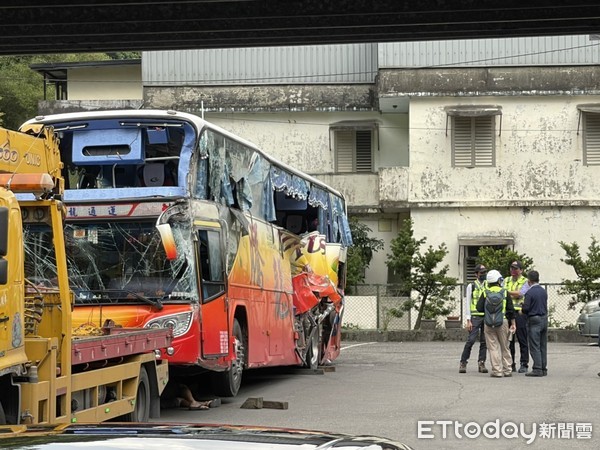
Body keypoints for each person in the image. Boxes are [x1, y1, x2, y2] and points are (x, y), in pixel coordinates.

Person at [477, 269, 517, 377]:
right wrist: (513, 323)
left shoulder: (485, 292)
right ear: (499, 280)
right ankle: (508, 370)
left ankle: (497, 371)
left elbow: (479, 308)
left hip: (488, 323)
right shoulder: (504, 292)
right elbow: (510, 309)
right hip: (503, 322)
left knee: (493, 348)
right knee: (505, 346)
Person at [459, 264, 488, 374]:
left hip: (485, 316)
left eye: (484, 272)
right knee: (471, 340)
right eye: (481, 273)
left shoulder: (488, 285)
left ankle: (481, 362)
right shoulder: (471, 286)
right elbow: (468, 303)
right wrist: (468, 320)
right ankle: (463, 362)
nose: (483, 275)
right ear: (476, 274)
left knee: (484, 341)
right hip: (475, 317)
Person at [521, 270, 548, 377]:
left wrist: (522, 308)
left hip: (534, 319)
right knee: (542, 345)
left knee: (534, 345)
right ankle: (543, 367)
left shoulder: (529, 293)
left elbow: (526, 308)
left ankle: (537, 368)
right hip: (544, 318)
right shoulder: (543, 291)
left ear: (529, 281)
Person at [505, 260, 529, 373]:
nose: (513, 271)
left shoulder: (525, 281)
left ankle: (524, 363)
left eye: (515, 268)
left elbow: (520, 293)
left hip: (520, 313)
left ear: (521, 270)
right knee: (509, 340)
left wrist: (507, 292)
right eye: (511, 268)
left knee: (522, 339)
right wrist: (511, 293)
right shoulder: (506, 280)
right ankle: (511, 363)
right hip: (509, 312)